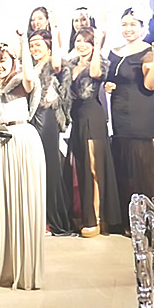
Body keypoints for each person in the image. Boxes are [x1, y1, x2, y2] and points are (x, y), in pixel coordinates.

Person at [0, 39, 46, 290]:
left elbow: (29, 78)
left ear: (13, 61)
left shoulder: (21, 82)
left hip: (23, 142)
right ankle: (1, 269)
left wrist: (23, 41)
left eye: (3, 60)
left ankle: (24, 271)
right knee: (0, 204)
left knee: (23, 204)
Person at [105, 7, 154, 233]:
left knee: (146, 165)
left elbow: (151, 85)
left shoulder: (148, 51)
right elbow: (110, 79)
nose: (128, 28)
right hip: (120, 114)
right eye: (125, 24)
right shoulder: (114, 52)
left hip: (143, 113)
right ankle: (131, 221)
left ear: (142, 28)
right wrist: (108, 85)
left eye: (133, 24)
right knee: (126, 168)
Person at [67, 27, 122, 237]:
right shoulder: (71, 65)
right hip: (78, 118)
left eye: (86, 41)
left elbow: (95, 74)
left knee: (94, 167)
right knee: (82, 169)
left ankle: (98, 218)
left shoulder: (99, 62)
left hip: (93, 116)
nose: (81, 44)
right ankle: (88, 214)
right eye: (78, 40)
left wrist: (98, 45)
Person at [28, 29, 75, 236]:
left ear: (49, 46)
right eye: (31, 45)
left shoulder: (54, 64)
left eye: (38, 44)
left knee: (49, 167)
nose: (34, 48)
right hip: (32, 118)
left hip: (47, 117)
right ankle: (40, 219)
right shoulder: (32, 66)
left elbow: (57, 63)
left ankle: (57, 222)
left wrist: (55, 28)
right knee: (35, 170)